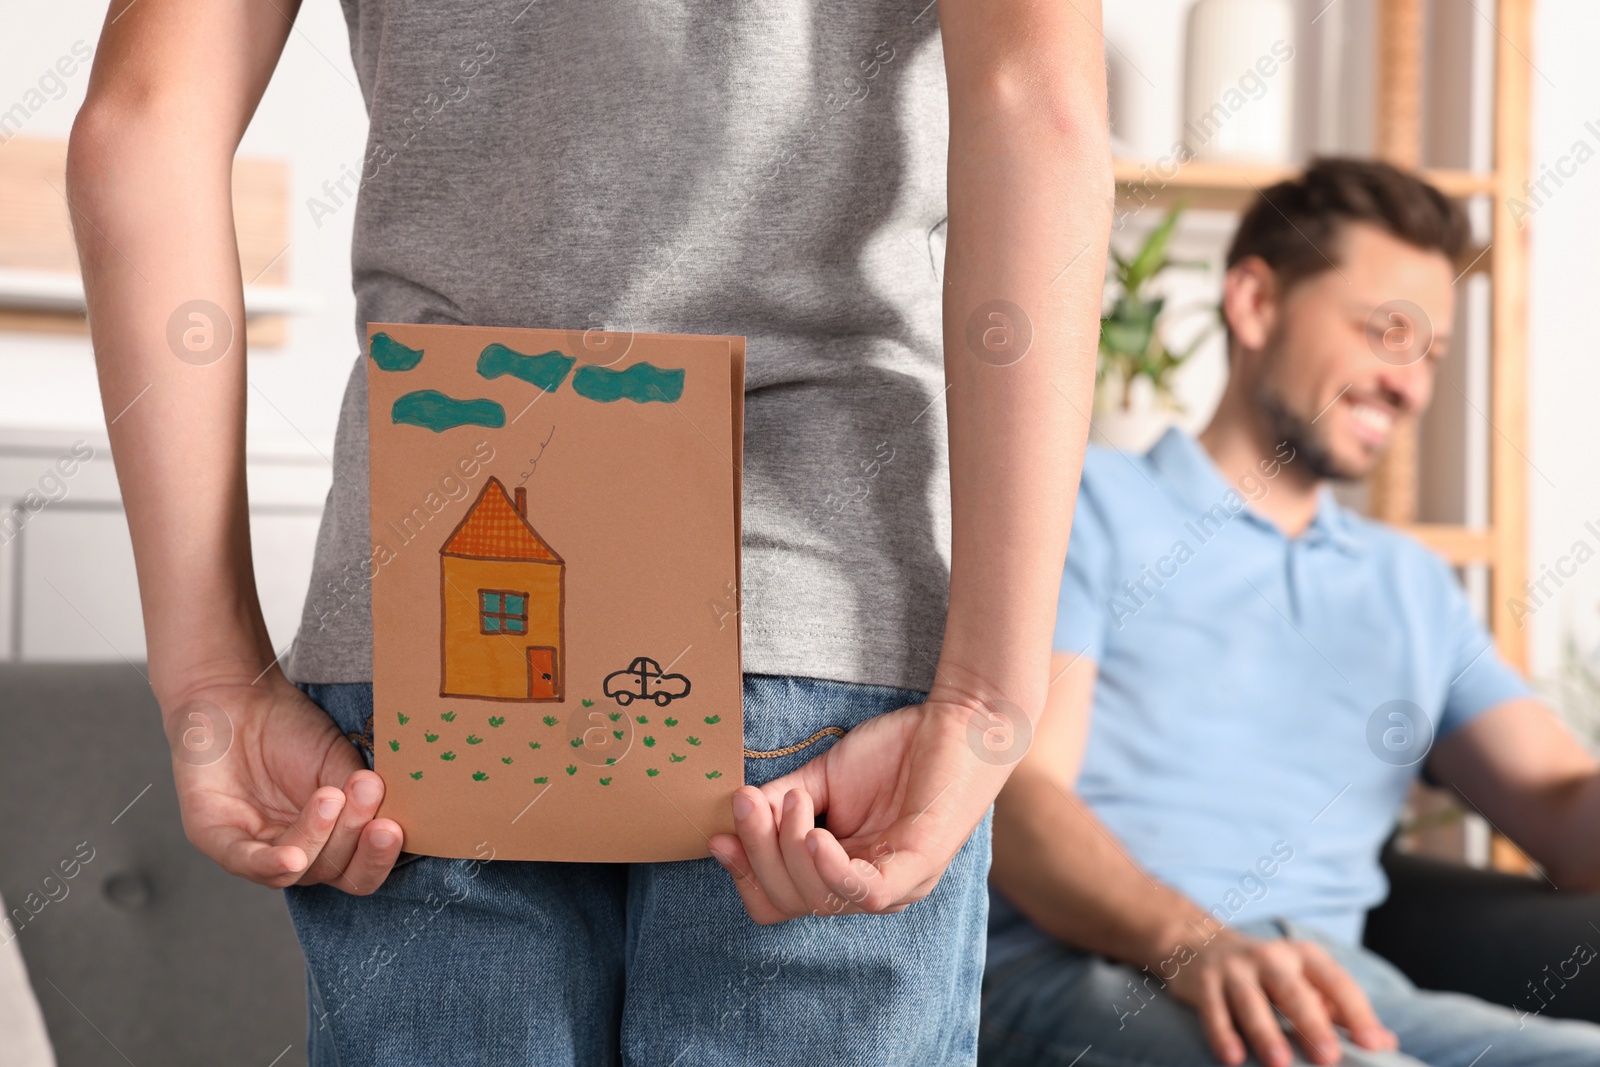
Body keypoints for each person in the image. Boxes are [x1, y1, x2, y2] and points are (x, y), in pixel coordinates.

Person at [66, 0, 1111, 1062]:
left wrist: (209, 676)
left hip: (418, 652)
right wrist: (987, 690)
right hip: (816, 631)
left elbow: (141, 125)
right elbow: (1035, 103)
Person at [981, 158, 1600, 1067]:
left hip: (1344, 994)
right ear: (1256, 302)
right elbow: (1016, 796)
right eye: (1387, 333)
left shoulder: (1410, 585)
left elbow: (1562, 808)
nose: (1412, 385)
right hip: (1089, 974)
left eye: (1431, 354)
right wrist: (1191, 942)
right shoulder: (1089, 506)